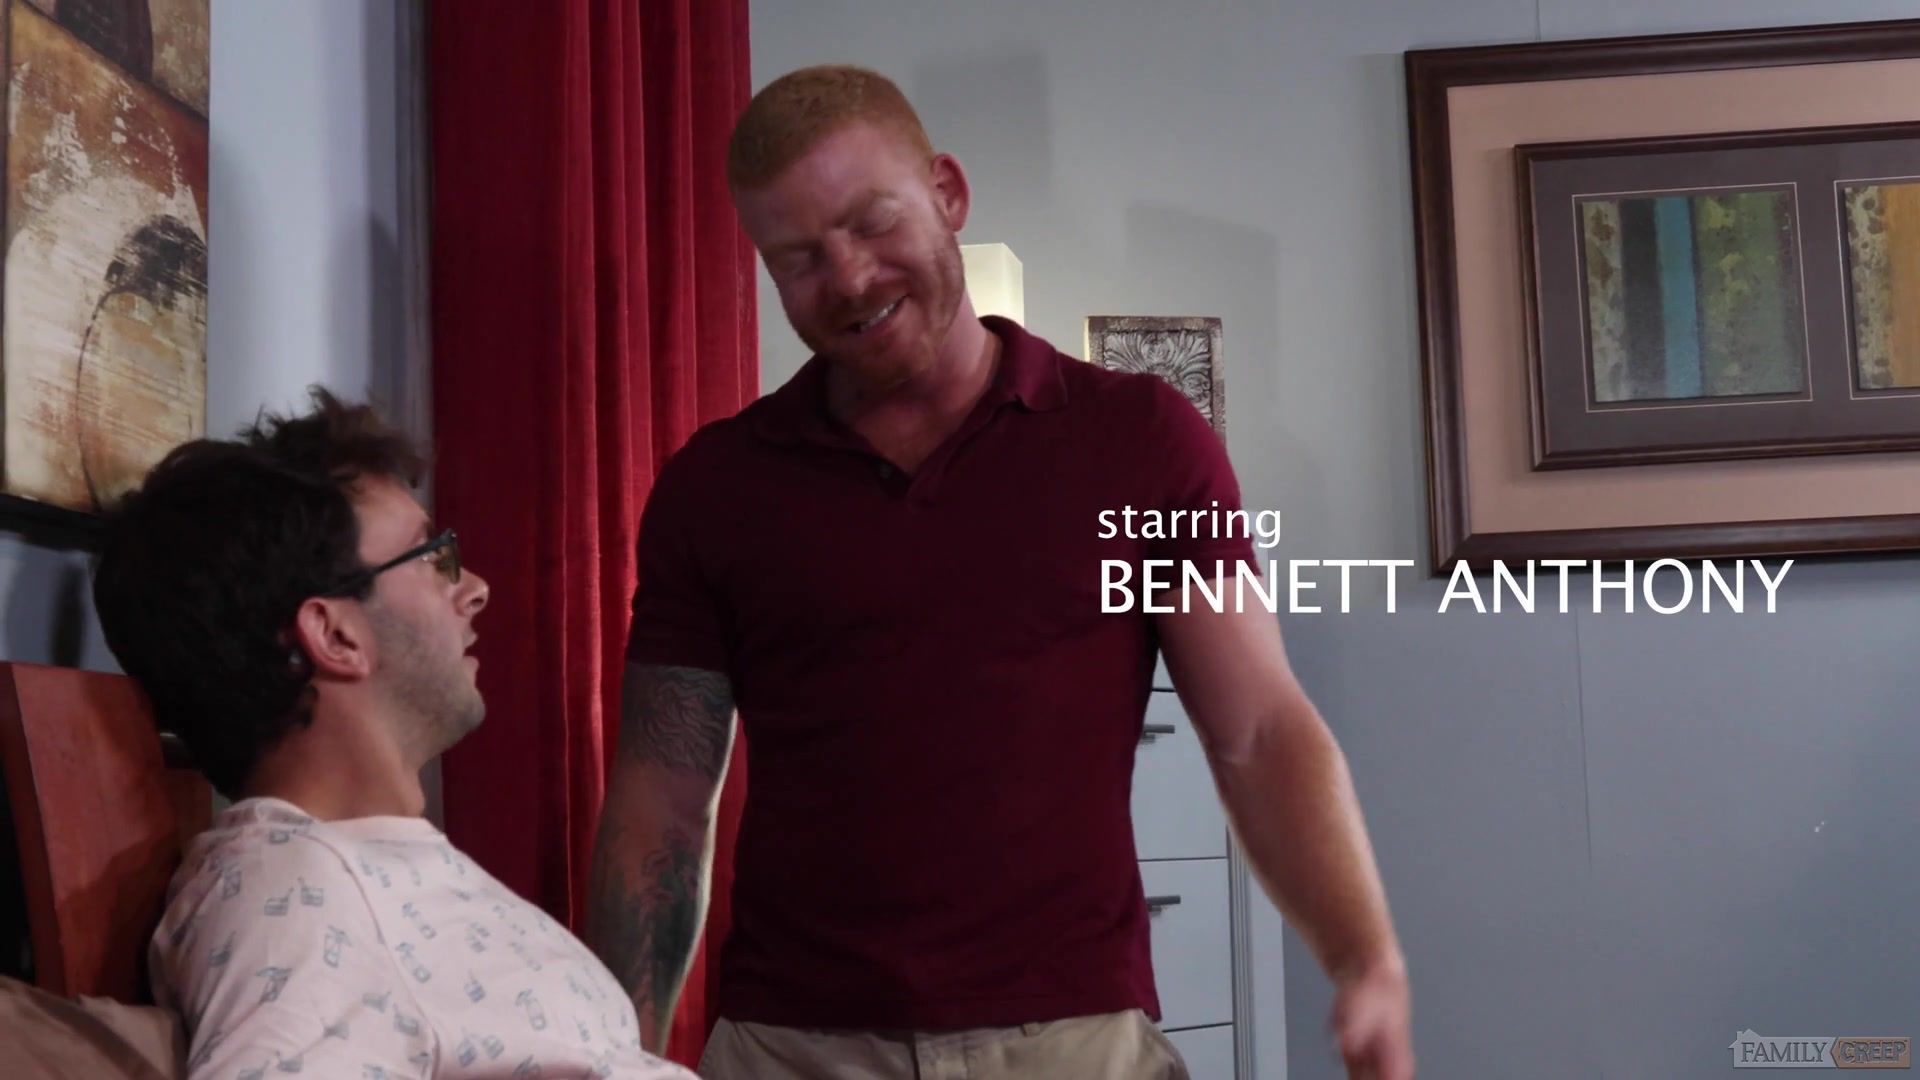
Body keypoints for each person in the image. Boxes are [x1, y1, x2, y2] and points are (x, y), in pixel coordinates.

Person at [587, 65, 1415, 1080]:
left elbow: (1258, 732)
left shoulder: (1138, 441)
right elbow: (662, 803)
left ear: (948, 194)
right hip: (794, 1049)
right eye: (798, 259)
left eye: (872, 223)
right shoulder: (716, 489)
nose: (849, 279)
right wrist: (612, 1053)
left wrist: (1363, 959)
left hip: (1072, 1044)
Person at [92, 389, 698, 1080]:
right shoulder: (292, 890)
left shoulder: (361, 865)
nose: (474, 587)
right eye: (433, 555)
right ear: (335, 635)